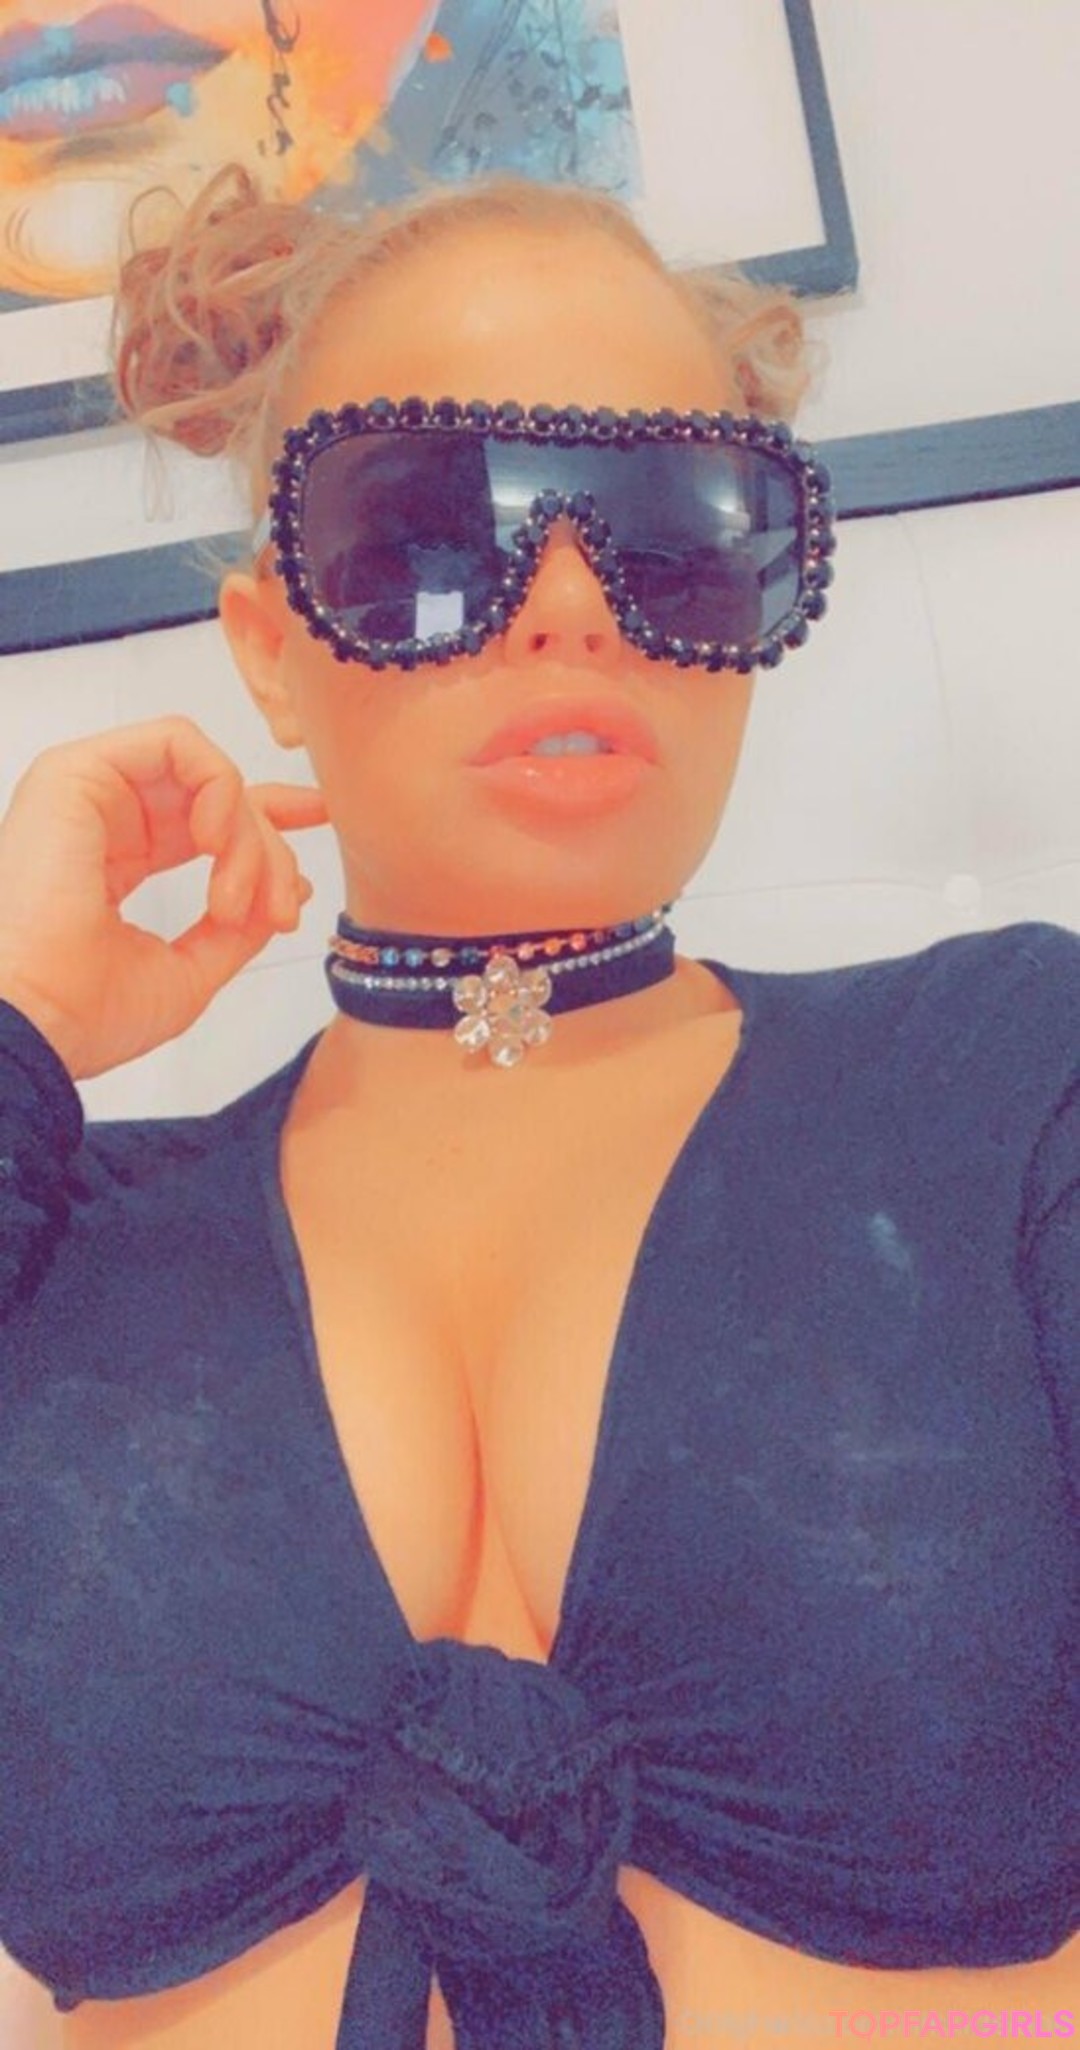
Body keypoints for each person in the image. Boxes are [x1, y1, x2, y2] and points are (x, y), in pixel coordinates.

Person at [0, 164, 1076, 2050]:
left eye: (679, 534)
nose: (573, 601)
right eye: (429, 525)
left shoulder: (1009, 1079)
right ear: (269, 646)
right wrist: (17, 1025)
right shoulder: (66, 1233)